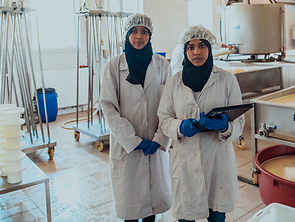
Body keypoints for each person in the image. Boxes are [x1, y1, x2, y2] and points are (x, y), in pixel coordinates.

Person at [157, 25, 245, 222]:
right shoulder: (173, 82)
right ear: (184, 50)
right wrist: (179, 127)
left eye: (202, 46)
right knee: (186, 216)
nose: (196, 52)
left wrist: (225, 127)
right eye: (191, 47)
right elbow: (164, 119)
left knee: (217, 215)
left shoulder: (227, 80)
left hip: (217, 159)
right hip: (185, 159)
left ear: (210, 48)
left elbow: (239, 122)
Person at [100, 13, 172, 222]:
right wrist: (131, 140)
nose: (138, 36)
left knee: (152, 207)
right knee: (130, 208)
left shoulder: (162, 65)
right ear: (127, 34)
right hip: (127, 148)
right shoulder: (114, 66)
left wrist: (160, 138)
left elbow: (169, 105)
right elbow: (108, 107)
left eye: (144, 32)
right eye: (134, 31)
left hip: (154, 145)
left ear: (150, 35)